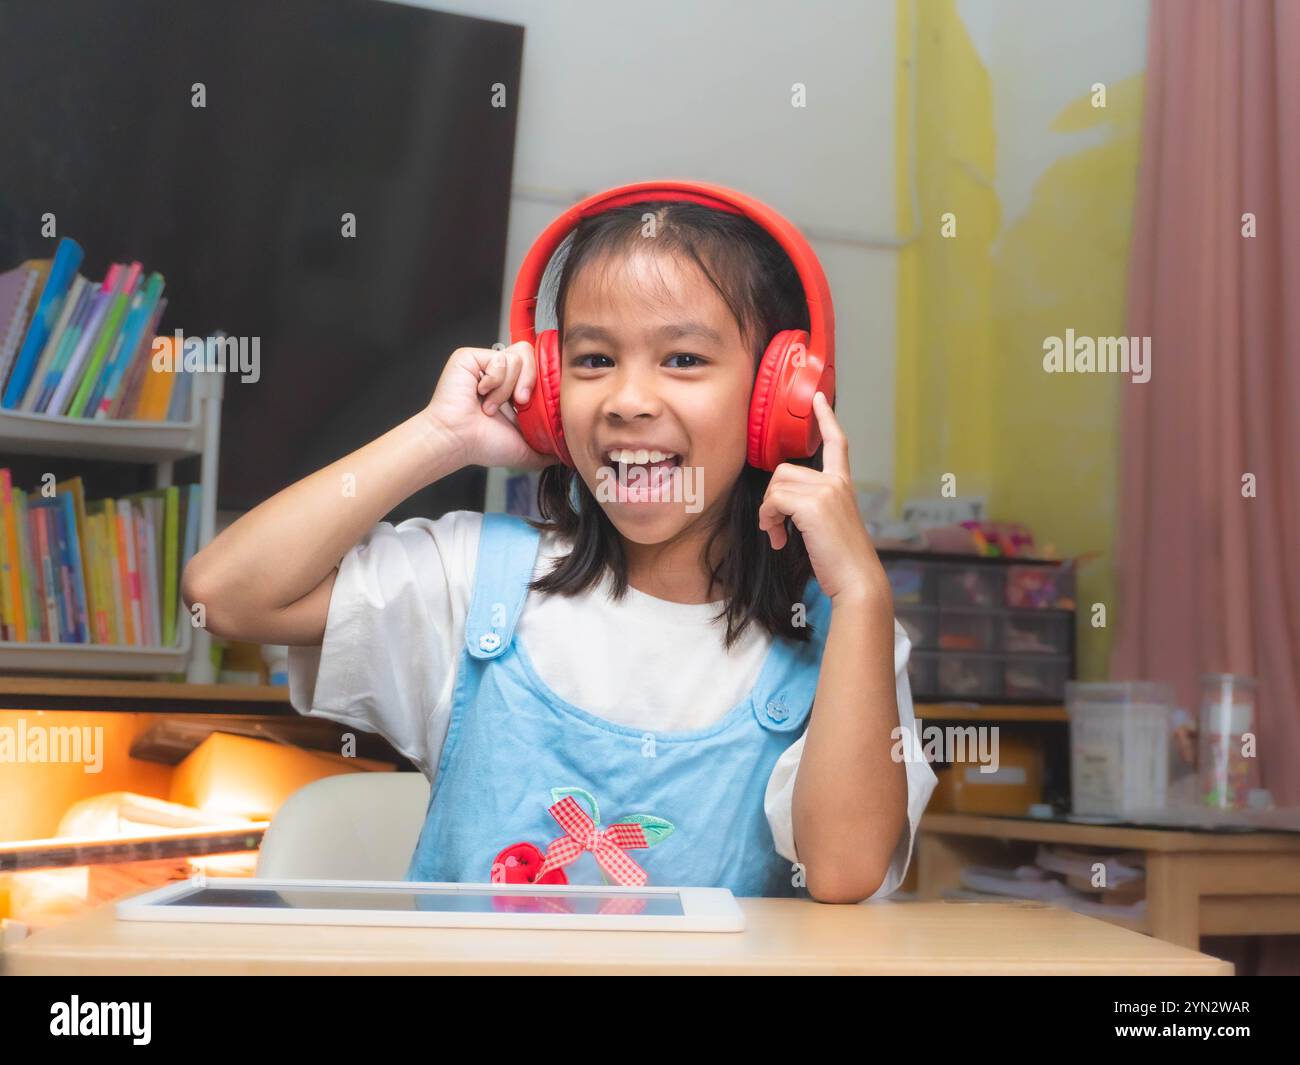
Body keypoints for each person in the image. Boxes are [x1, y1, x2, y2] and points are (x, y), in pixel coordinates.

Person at [183, 188, 937, 903]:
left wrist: (863, 593)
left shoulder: (843, 644)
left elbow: (843, 872)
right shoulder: (477, 579)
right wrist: (441, 437)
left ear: (779, 400)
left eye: (682, 359)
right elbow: (224, 594)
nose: (627, 400)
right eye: (593, 359)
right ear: (548, 400)